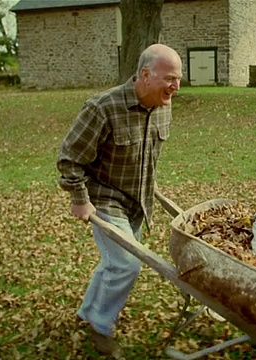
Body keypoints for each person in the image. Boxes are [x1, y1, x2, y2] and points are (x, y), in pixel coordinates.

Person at [56, 44, 182, 356]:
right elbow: (69, 158)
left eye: (179, 79)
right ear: (145, 74)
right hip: (104, 199)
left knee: (114, 263)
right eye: (170, 78)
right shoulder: (103, 107)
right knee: (126, 265)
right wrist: (79, 198)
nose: (175, 86)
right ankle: (101, 327)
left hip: (136, 204)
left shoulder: (163, 108)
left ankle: (87, 312)